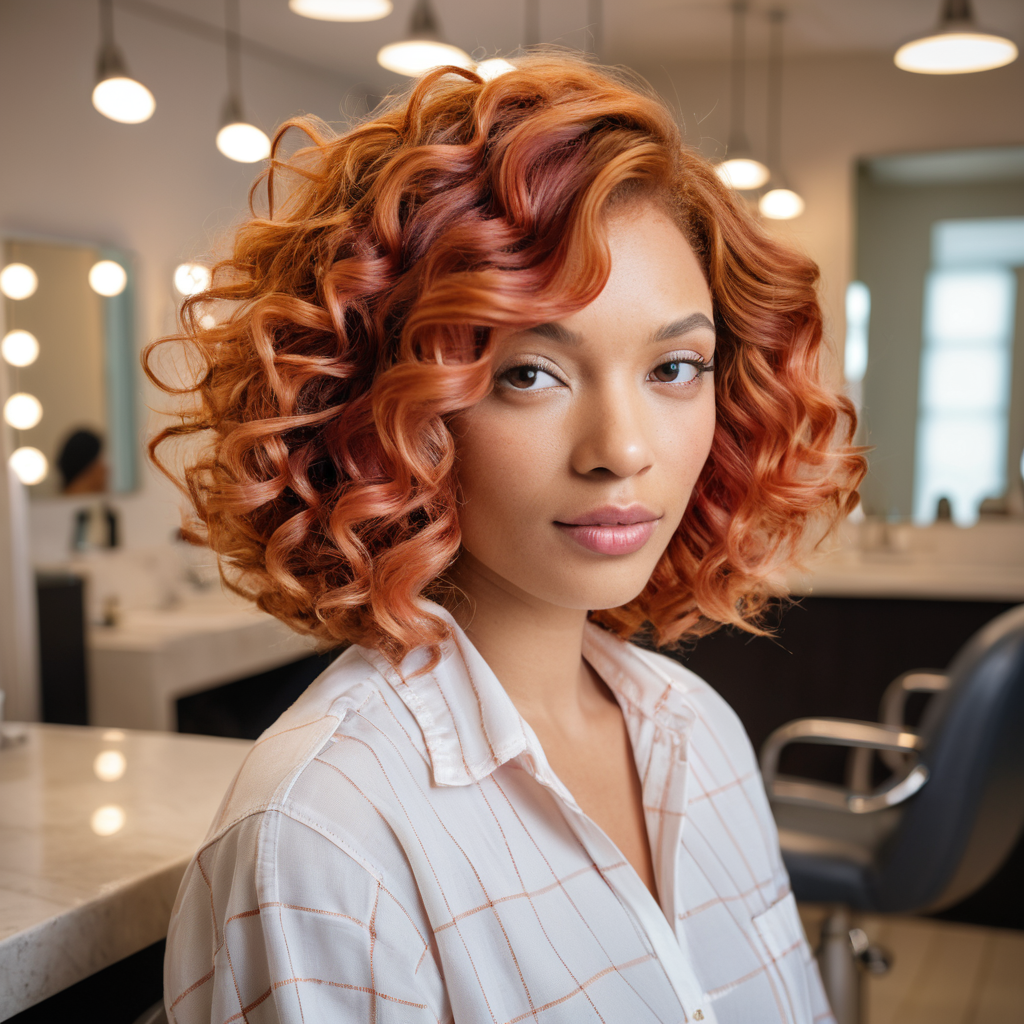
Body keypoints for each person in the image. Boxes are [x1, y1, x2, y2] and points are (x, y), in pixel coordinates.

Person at [148, 54, 863, 1024]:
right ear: (382, 410)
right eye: (529, 373)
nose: (622, 450)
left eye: (675, 366)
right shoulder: (327, 838)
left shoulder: (696, 731)